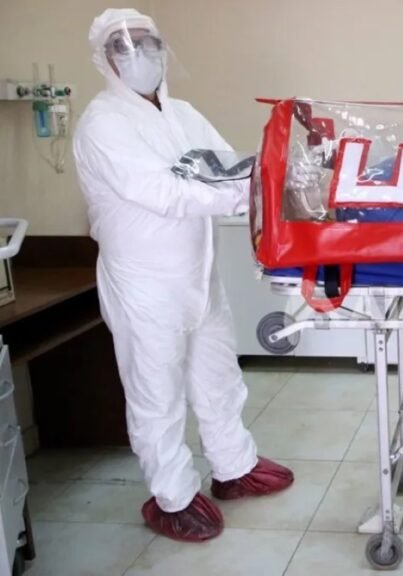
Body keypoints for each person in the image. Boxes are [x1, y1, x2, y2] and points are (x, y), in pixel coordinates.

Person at [72, 8, 293, 543]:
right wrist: (245, 193)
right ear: (104, 59)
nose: (139, 55)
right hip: (143, 283)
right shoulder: (103, 124)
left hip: (198, 272)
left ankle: (234, 466)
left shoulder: (183, 113)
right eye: (124, 46)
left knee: (218, 375)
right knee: (157, 391)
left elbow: (226, 164)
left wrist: (269, 175)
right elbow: (164, 193)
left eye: (147, 43)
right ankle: (171, 497)